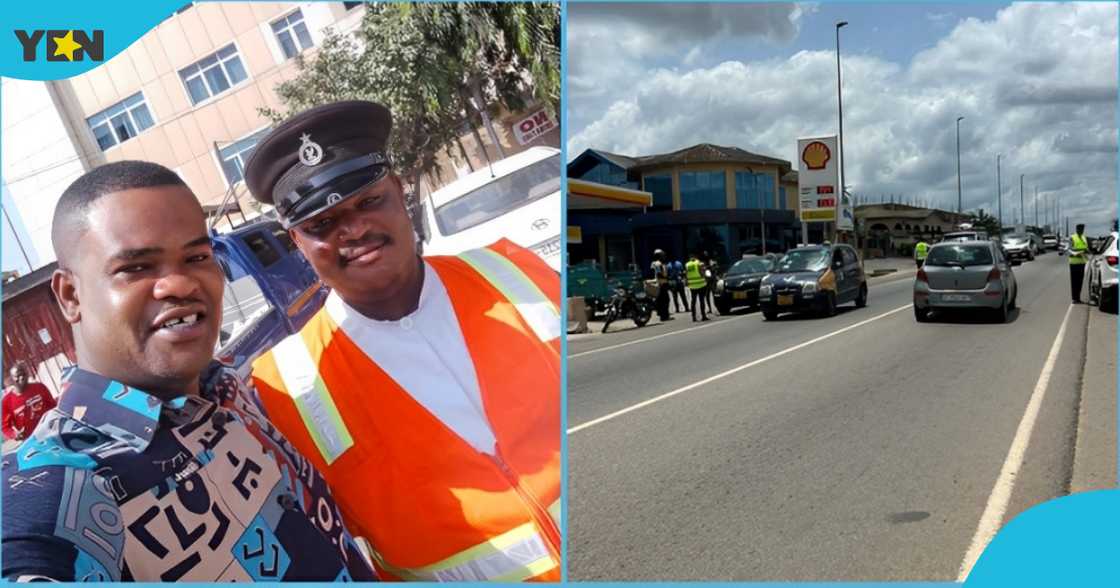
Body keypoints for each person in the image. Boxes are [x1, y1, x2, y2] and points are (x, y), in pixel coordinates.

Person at [1, 161, 376, 582]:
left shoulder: (227, 391)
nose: (179, 284)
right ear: (71, 295)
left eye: (197, 256)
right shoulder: (60, 485)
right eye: (136, 268)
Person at [242, 101, 561, 581]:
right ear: (296, 244)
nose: (353, 230)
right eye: (321, 224)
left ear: (400, 193)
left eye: (368, 202)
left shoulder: (516, 270)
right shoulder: (282, 387)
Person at [2, 362, 57, 443]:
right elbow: (5, 427)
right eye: (18, 376)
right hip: (31, 442)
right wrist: (14, 434)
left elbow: (54, 407)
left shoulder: (40, 387)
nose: (22, 377)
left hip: (51, 433)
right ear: (11, 379)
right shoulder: (6, 401)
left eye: (24, 374)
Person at [1069, 223, 1090, 303]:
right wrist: (1081, 251)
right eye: (1080, 229)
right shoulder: (1072, 238)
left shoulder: (1084, 238)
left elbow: (1086, 248)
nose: (1081, 231)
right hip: (1074, 263)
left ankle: (1078, 298)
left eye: (1082, 229)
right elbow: (1070, 249)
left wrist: (1087, 251)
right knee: (1074, 282)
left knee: (1080, 281)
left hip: (1082, 262)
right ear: (1077, 229)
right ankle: (1074, 298)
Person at [686, 253, 709, 322]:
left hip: (692, 285)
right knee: (701, 300)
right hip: (701, 284)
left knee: (693, 301)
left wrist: (687, 282)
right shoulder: (699, 263)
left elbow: (686, 274)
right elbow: (702, 273)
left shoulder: (687, 265)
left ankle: (693, 317)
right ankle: (703, 316)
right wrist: (705, 277)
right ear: (696, 257)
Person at [650, 249, 672, 321]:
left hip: (659, 283)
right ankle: (664, 316)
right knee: (665, 300)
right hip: (662, 283)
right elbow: (659, 274)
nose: (664, 256)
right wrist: (666, 277)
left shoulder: (654, 263)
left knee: (661, 300)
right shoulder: (658, 264)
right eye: (662, 255)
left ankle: (663, 314)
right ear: (659, 256)